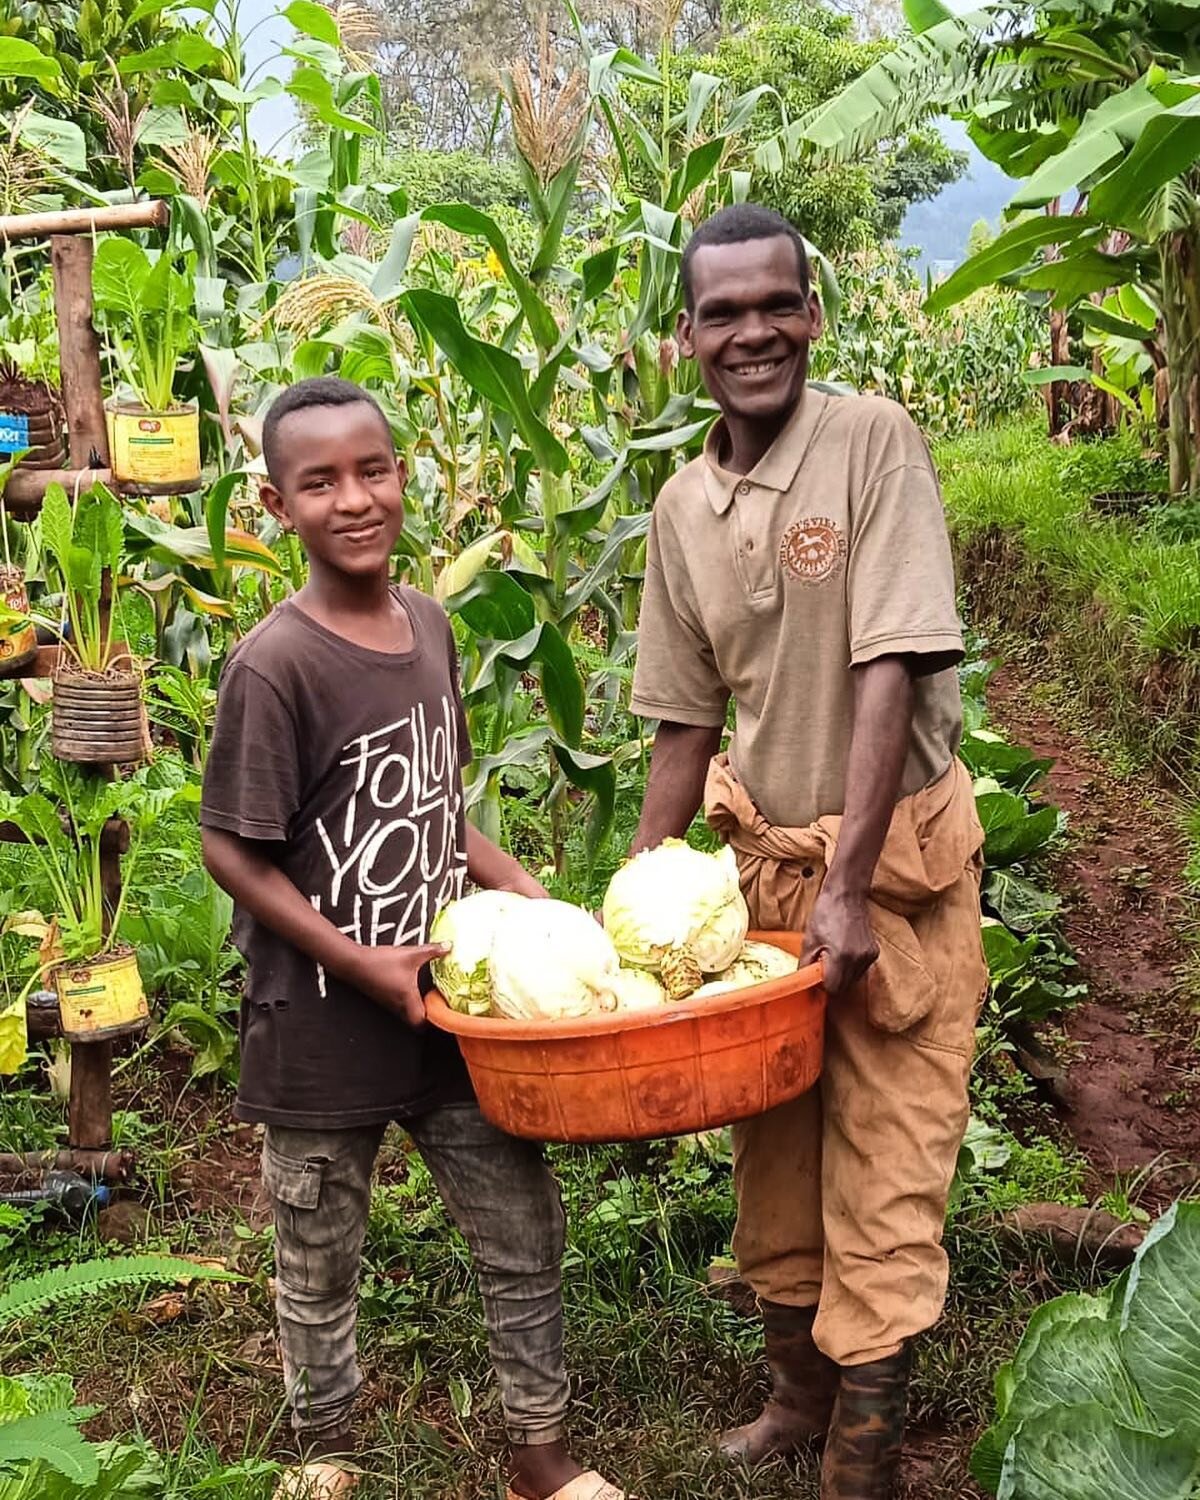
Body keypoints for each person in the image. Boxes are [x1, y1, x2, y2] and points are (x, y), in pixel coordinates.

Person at [201, 377, 628, 1500]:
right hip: (319, 1026)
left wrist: (531, 894)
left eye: (373, 469)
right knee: (317, 1252)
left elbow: (441, 807)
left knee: (522, 1227)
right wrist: (359, 963)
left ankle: (542, 1453)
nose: (354, 498)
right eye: (320, 481)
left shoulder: (429, 625)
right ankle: (325, 1447)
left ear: (404, 474)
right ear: (274, 504)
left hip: (450, 1012)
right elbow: (231, 853)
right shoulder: (275, 665)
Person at [628, 205, 988, 1499]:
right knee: (774, 1150)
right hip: (764, 885)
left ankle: (865, 1453)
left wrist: (848, 888)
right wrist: (636, 912)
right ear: (688, 338)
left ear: (813, 315)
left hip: (889, 877)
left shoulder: (870, 442)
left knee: (890, 1145)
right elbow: (683, 721)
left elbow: (887, 659)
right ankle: (797, 1398)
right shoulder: (682, 506)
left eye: (775, 303)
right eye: (721, 313)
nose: (752, 332)